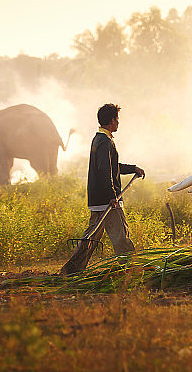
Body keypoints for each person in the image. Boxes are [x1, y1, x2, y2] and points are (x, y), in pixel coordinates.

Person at [60, 103, 145, 276]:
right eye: (117, 119)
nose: (118, 123)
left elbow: (112, 166)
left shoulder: (99, 139)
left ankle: (70, 271)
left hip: (97, 200)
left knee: (90, 239)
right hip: (108, 201)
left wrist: (133, 168)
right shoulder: (105, 142)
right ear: (112, 120)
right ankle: (131, 270)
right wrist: (112, 196)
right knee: (121, 235)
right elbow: (106, 170)